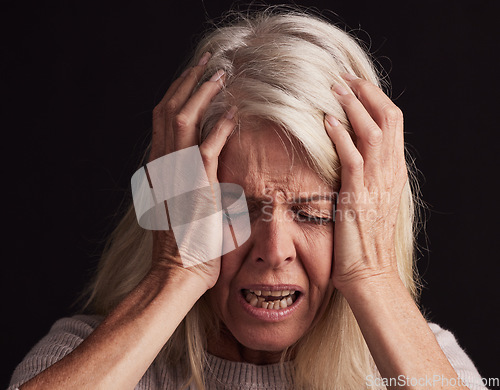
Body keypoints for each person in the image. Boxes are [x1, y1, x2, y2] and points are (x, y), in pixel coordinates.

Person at [8, 8, 487, 390]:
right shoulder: (81, 356)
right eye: (232, 205)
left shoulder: (423, 365)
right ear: (177, 207)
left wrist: (374, 277)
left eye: (313, 213)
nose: (272, 249)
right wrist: (176, 274)